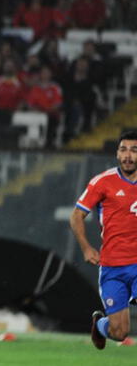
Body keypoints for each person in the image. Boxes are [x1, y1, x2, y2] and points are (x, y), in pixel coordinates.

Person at [69, 131, 137, 350]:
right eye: (124, 149)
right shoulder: (103, 182)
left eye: (134, 150)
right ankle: (100, 325)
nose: (128, 156)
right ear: (117, 153)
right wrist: (86, 247)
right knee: (119, 332)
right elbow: (76, 216)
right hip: (112, 267)